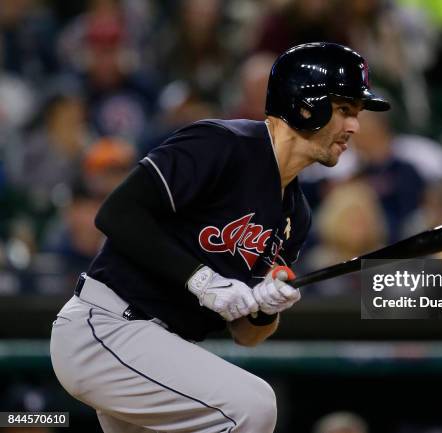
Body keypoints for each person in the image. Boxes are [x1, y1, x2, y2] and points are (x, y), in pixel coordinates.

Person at [49, 42, 390, 433]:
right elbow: (116, 213)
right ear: (306, 105)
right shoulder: (222, 145)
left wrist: (264, 306)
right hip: (107, 326)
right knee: (253, 406)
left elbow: (247, 336)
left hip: (158, 348)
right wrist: (201, 279)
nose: (355, 126)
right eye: (346, 110)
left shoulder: (297, 213)